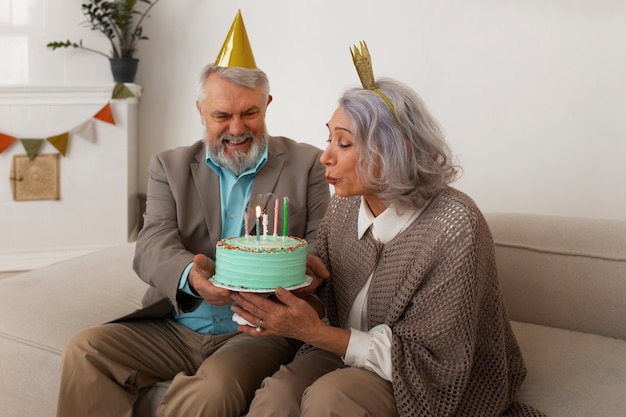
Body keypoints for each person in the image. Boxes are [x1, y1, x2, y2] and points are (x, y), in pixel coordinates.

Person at [231, 42, 544, 417]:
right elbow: (332, 308)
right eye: (329, 137)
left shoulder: (455, 225)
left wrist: (313, 332)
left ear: (392, 150)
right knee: (276, 397)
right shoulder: (345, 207)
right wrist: (298, 296)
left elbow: (438, 363)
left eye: (344, 142)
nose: (325, 155)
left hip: (422, 378)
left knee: (331, 398)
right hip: (344, 351)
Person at [55, 11, 330, 417]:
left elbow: (324, 247)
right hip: (175, 324)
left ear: (267, 104)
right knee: (86, 350)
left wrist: (299, 270)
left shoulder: (309, 164)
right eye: (221, 115)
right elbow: (152, 243)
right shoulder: (170, 165)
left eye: (249, 113)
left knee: (212, 390)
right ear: (201, 111)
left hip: (258, 331)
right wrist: (191, 277)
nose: (237, 128)